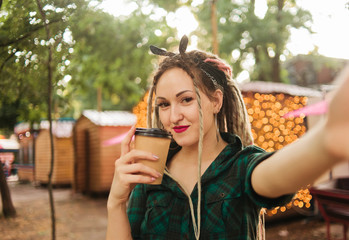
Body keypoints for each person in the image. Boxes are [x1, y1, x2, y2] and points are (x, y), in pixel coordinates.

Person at [106, 35, 349, 240]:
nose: (173, 116)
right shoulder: (152, 173)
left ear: (216, 101)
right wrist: (116, 202)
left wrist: (326, 141)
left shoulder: (241, 166)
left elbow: (275, 174)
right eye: (164, 104)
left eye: (186, 99)